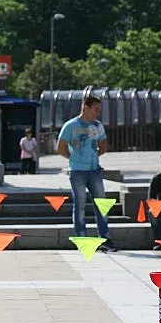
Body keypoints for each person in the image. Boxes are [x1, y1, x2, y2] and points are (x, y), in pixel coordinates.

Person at [57, 95, 117, 252]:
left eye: (99, 109)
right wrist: (73, 158)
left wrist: (95, 156)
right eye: (95, 109)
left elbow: (103, 144)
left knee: (101, 204)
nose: (98, 113)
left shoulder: (97, 125)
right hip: (77, 172)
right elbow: (60, 147)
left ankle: (105, 239)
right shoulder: (71, 125)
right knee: (80, 205)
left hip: (94, 171)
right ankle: (82, 239)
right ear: (85, 107)